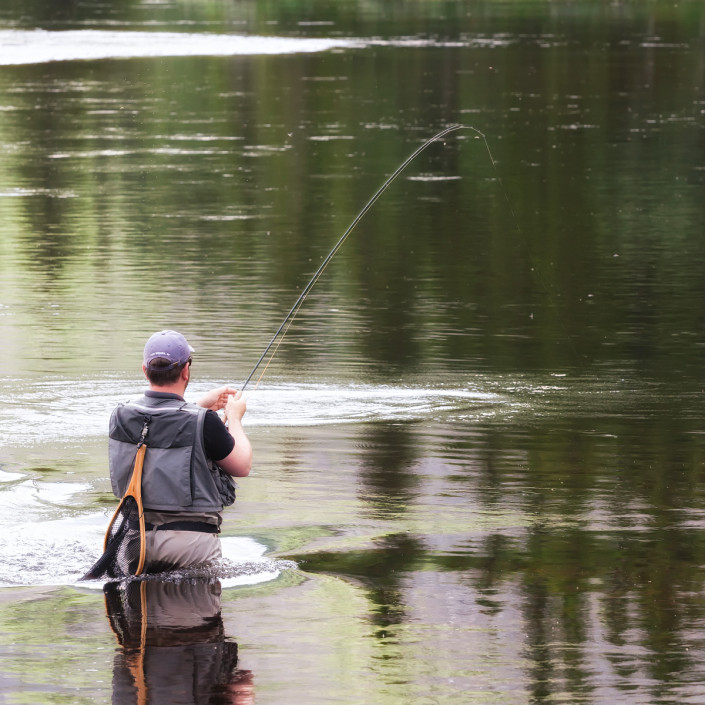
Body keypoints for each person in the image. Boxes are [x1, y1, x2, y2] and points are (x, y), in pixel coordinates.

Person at [108, 329, 252, 574]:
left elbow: (158, 425)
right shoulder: (206, 422)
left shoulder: (121, 416)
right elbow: (242, 466)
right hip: (191, 545)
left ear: (145, 371)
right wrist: (235, 419)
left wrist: (196, 406)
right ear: (186, 370)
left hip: (133, 542)